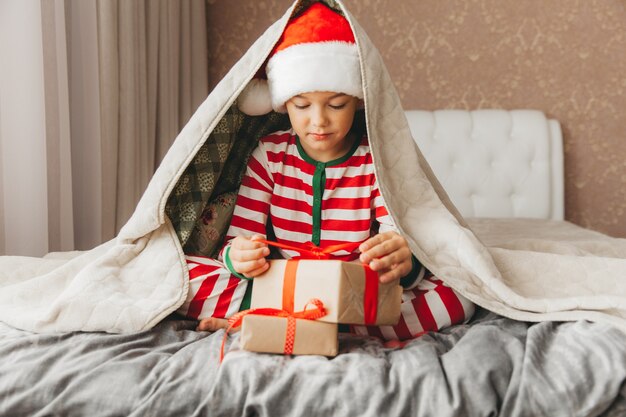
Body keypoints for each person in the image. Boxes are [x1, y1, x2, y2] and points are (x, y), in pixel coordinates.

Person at [178, 2, 474, 341]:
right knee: (176, 277)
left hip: (353, 286)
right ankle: (331, 324)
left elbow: (399, 246)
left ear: (359, 101)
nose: (318, 120)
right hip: (280, 280)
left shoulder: (374, 160)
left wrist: (402, 264)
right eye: (302, 105)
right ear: (282, 102)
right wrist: (238, 256)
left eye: (336, 104)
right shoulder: (270, 155)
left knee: (461, 289)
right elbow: (237, 241)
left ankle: (278, 319)